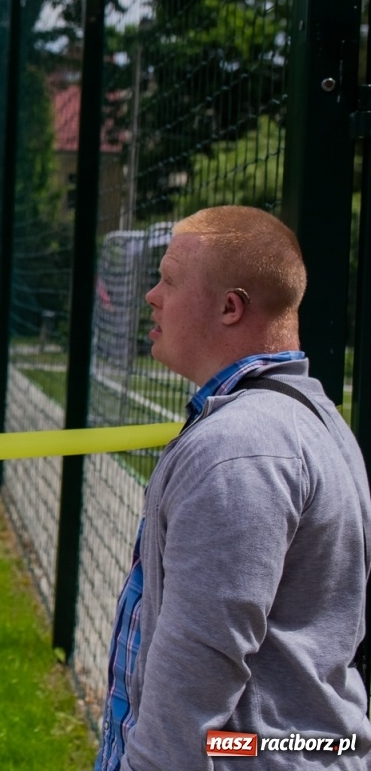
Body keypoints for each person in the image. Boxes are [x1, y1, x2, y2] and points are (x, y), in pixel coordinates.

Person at [95, 206, 371, 771]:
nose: (151, 296)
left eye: (169, 280)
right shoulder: (306, 417)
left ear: (229, 307)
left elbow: (196, 677)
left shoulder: (240, 447)